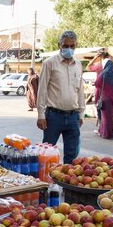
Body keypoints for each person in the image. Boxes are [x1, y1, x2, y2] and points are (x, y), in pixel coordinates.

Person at [36, 31, 85, 164]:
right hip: (53, 116)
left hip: (73, 116)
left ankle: (67, 185)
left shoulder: (78, 65)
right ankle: (45, 183)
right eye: (65, 46)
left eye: (72, 46)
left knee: (72, 157)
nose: (69, 49)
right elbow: (42, 90)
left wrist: (81, 114)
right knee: (46, 154)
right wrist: (41, 115)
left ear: (76, 46)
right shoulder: (49, 63)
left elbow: (80, 91)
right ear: (59, 45)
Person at [94, 58, 113, 139]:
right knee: (110, 117)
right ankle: (107, 132)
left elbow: (97, 84)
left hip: (105, 98)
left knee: (105, 117)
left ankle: (106, 133)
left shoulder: (103, 74)